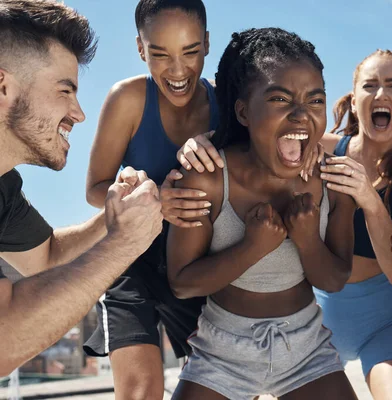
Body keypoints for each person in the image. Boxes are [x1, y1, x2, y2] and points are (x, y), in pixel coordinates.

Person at [166, 27, 358, 400]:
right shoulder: (207, 178)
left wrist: (306, 240)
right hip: (222, 352)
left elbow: (334, 279)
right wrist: (252, 248)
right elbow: (183, 282)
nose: (302, 115)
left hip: (306, 349)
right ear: (243, 112)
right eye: (280, 99)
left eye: (315, 101)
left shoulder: (332, 179)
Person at [0, 0, 162, 375]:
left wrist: (114, 219)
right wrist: (124, 244)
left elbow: (47, 257)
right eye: (64, 91)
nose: (79, 112)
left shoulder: (4, 186)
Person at [82, 1, 217, 398]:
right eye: (160, 54)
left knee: (223, 386)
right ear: (141, 49)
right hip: (132, 262)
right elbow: (95, 190)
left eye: (190, 52)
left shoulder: (229, 107)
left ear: (207, 44)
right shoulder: (126, 100)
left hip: (196, 265)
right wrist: (155, 199)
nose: (177, 71)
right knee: (141, 390)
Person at [312, 50, 392, 400]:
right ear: (354, 101)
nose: (381, 94)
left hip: (384, 322)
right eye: (370, 85)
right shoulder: (318, 150)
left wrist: (369, 198)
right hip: (311, 320)